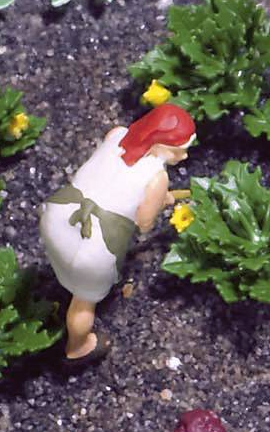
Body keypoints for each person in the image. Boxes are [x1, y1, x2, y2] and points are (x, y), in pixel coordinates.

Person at [39, 103, 195, 366]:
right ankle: (78, 347)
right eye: (179, 150)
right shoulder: (157, 177)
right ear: (160, 144)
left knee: (63, 256)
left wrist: (157, 197)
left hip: (58, 215)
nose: (183, 157)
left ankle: (56, 280)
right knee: (83, 301)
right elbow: (144, 222)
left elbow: (110, 181)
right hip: (90, 245)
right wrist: (158, 199)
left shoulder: (117, 134)